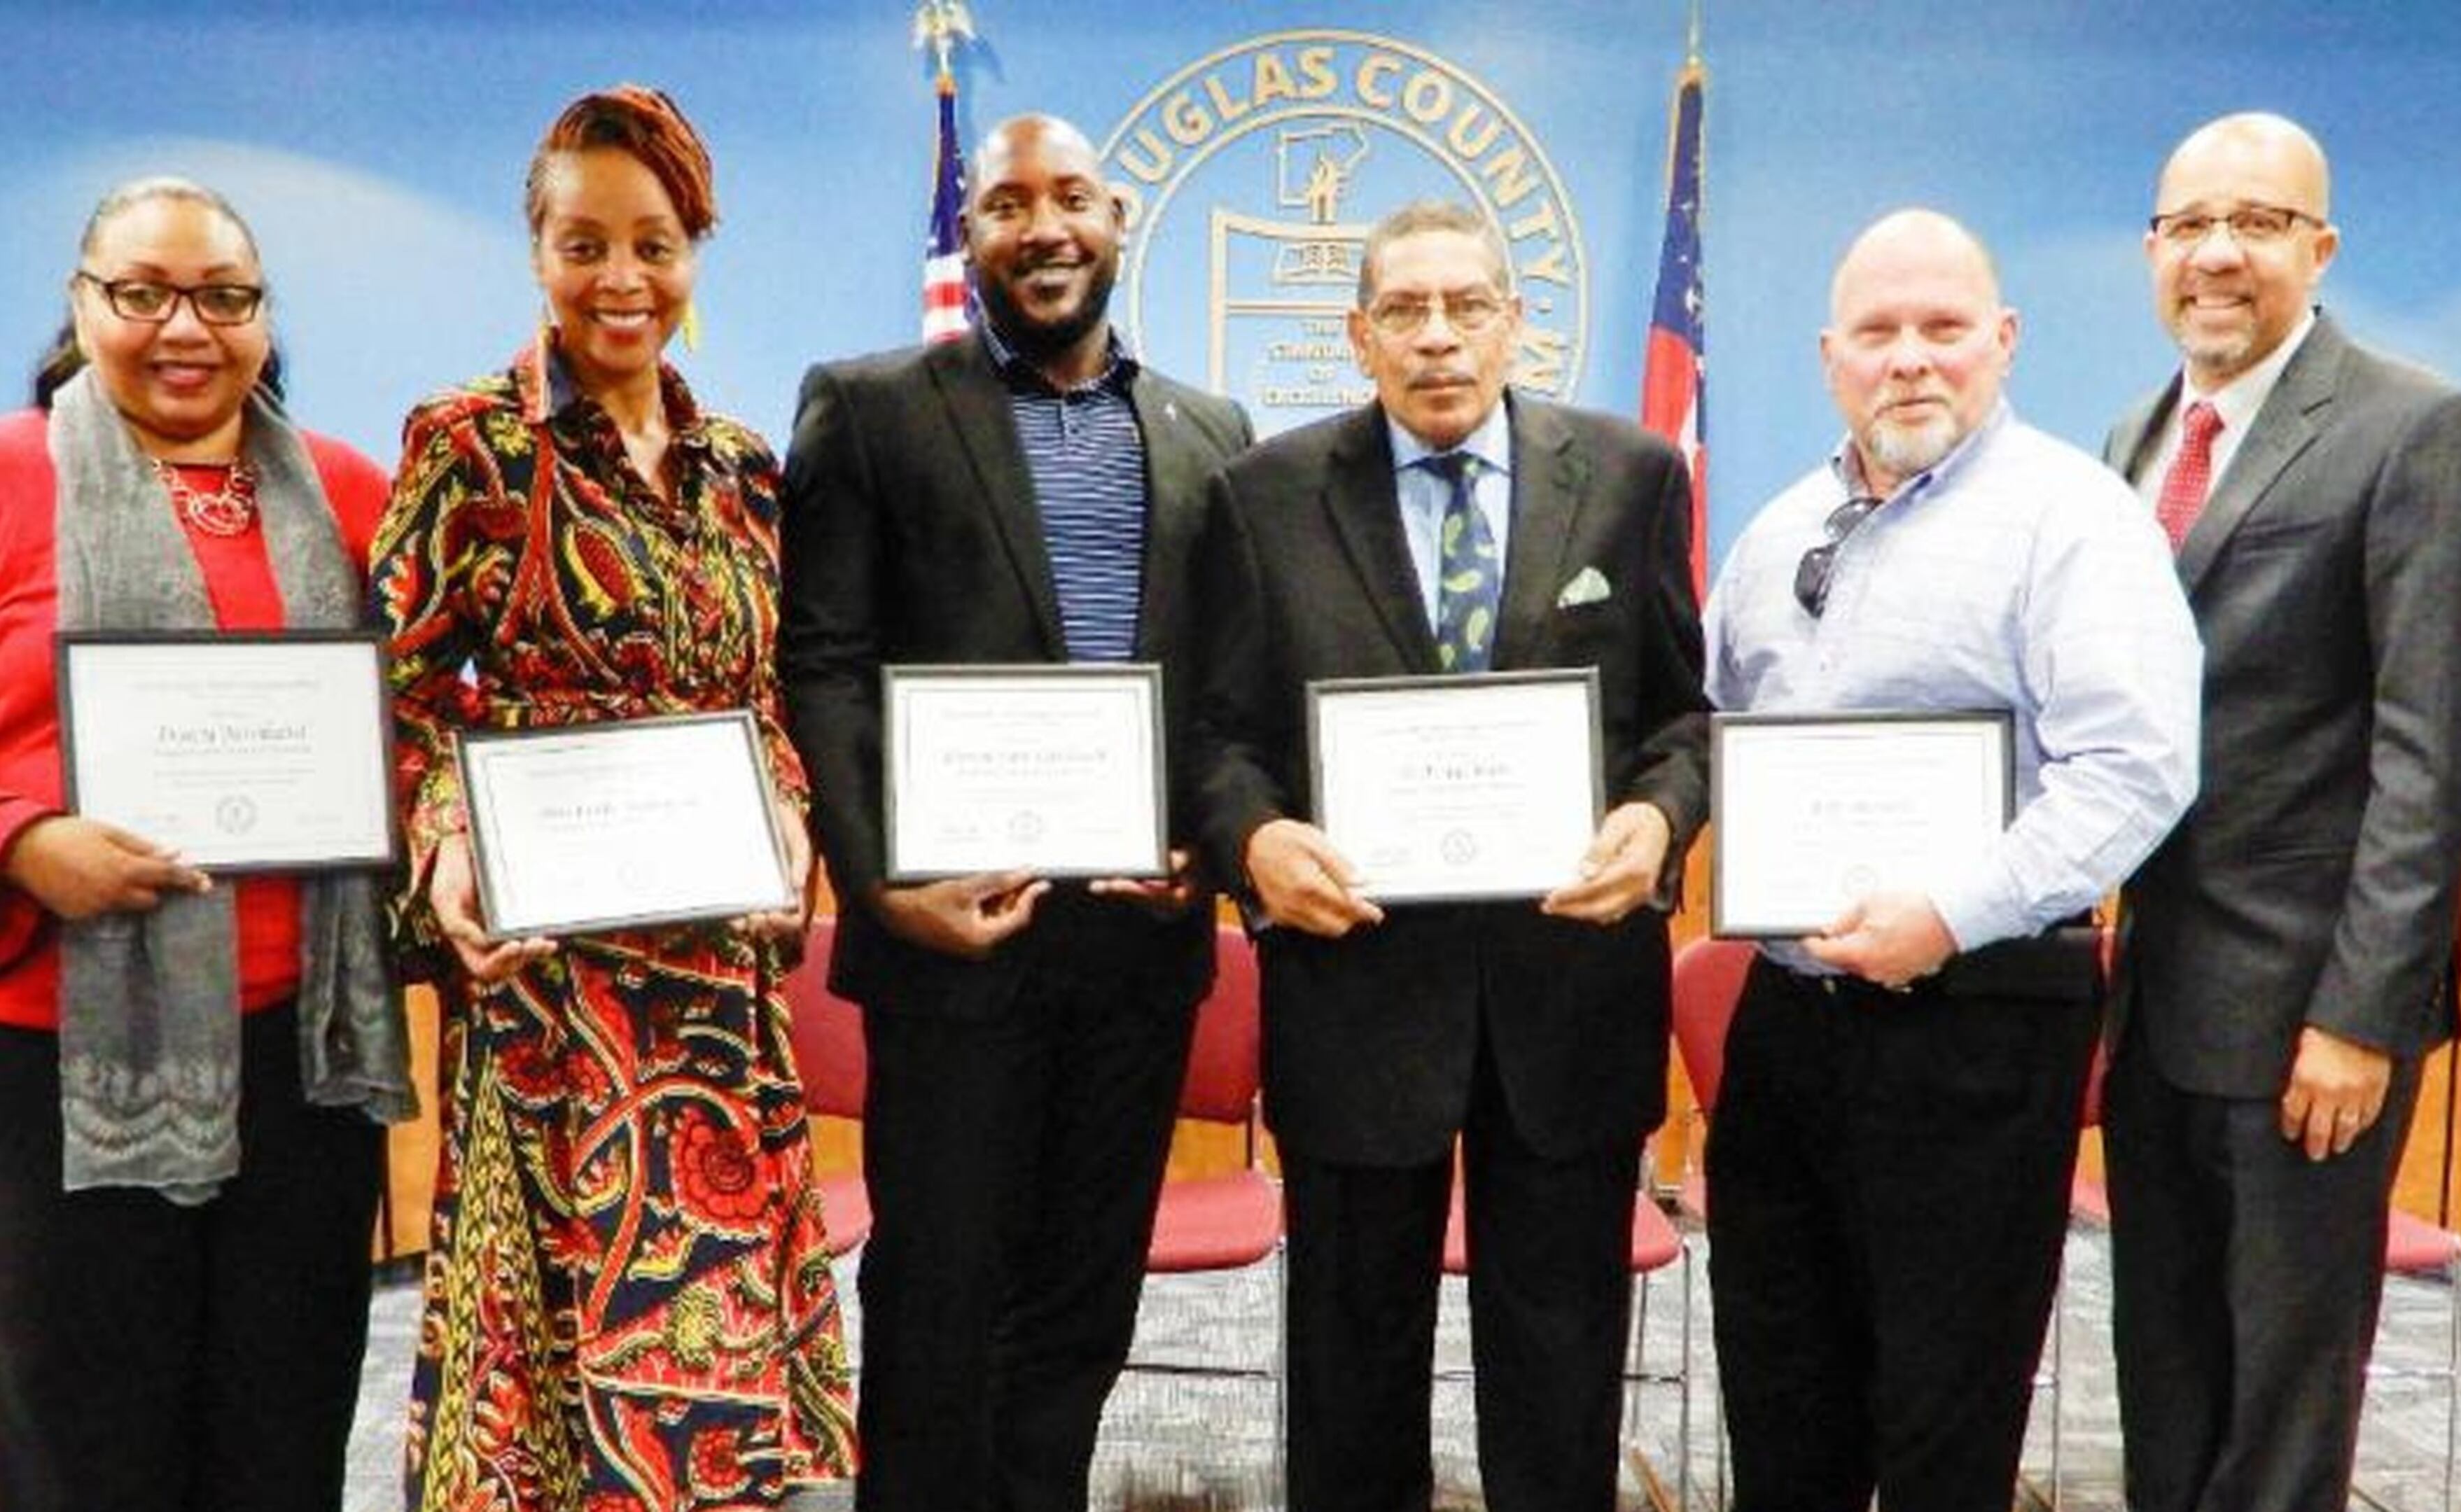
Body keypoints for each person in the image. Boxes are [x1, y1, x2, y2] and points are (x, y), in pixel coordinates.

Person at [0, 176, 413, 1511]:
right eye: (140, 293)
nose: (183, 327)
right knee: (88, 1428)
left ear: (264, 317)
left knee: (288, 1410)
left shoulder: (345, 492)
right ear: (81, 307)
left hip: (304, 1057)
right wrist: (20, 839)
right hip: (48, 1044)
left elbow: (430, 715)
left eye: (223, 296)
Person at [372, 85, 853, 1511]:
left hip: (715, 986)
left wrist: (789, 814)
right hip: (552, 995)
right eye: (585, 244)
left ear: (696, 247)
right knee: (558, 1375)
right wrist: (448, 846)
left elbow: (764, 700)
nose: (621, 280)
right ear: (537, 251)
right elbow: (390, 692)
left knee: (714, 1359)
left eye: (653, 243)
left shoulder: (744, 472)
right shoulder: (472, 446)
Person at [1186, 200, 1707, 1512]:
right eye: (1404, 313)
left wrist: (1656, 825)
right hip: (1356, 996)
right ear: (1360, 335)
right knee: (1350, 1383)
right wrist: (1253, 839)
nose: (1437, 339)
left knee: (1561, 1377)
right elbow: (1215, 735)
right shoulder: (1264, 497)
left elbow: (1684, 721)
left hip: (1571, 996)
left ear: (1512, 322)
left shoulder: (1634, 476)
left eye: (1465, 307)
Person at [777, 113, 1252, 1512]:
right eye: (1005, 204)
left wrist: (1202, 851)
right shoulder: (869, 406)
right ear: (968, 234)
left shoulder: (1212, 431)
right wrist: (875, 888)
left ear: (1118, 219)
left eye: (1070, 199)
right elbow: (823, 659)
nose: (1042, 227)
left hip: (1137, 950)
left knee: (1081, 1301)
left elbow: (1230, 687)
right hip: (950, 945)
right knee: (937, 1297)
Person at [1699, 208, 2201, 1512]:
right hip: (1790, 1023)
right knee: (1779, 1390)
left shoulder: (2074, 523)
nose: (1910, 359)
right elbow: (1710, 735)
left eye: (1944, 328)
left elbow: (2136, 770)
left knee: (1943, 1415)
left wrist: (1951, 911)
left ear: (2004, 341)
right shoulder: (1771, 536)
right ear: (1830, 357)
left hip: (1975, 1020)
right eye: (1879, 332)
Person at [2101, 112, 2461, 1512]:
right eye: (2189, 225)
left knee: (2282, 1400)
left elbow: (2435, 751)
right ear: (2153, 249)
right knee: (2164, 1365)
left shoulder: (2422, 431)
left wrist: (2361, 1018)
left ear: (2320, 246)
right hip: (2154, 1001)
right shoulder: (2136, 436)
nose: (2218, 252)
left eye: (2260, 223)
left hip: (2306, 1024)